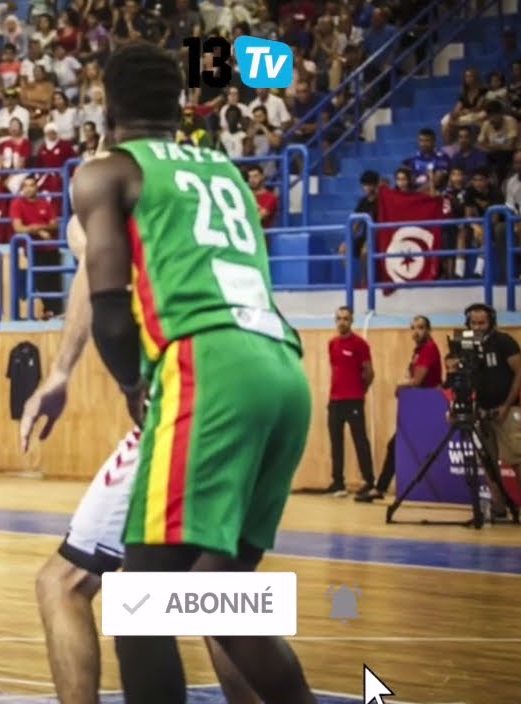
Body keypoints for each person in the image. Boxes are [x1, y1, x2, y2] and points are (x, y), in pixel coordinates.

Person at [72, 42, 316, 703]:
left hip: (209, 364)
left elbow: (111, 315)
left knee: (142, 603)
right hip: (284, 369)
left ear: (107, 101)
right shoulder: (226, 170)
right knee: (219, 601)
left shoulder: (107, 172)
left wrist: (133, 387)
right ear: (181, 104)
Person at [23, 214, 258, 704]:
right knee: (212, 595)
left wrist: (62, 371)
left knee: (64, 582)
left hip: (186, 401)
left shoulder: (110, 187)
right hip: (259, 387)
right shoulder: (212, 191)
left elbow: (94, 267)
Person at [462, 303, 521, 524]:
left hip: (507, 408)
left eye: (482, 323)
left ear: (492, 322)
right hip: (483, 410)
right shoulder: (468, 344)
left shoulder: (504, 341)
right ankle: (499, 508)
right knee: (488, 462)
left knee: (517, 459)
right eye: (473, 323)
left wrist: (506, 405)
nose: (477, 327)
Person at [355, 315, 442, 502]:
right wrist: (403, 384)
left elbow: (417, 381)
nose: (416, 332)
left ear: (428, 329)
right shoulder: (418, 351)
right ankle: (382, 488)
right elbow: (411, 376)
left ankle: (382, 488)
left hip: (426, 408)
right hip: (417, 407)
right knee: (395, 446)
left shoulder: (428, 349)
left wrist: (400, 385)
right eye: (413, 328)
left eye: (420, 327)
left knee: (399, 446)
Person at [327, 306, 375, 497]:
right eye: (338, 318)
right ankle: (338, 483)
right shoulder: (332, 344)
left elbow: (369, 373)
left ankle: (369, 481)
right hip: (335, 401)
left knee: (360, 441)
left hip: (354, 401)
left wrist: (360, 392)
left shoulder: (360, 344)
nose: (342, 322)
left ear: (352, 321)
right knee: (336, 442)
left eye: (346, 319)